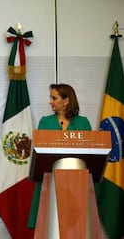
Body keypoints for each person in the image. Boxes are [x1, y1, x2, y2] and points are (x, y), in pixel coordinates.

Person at [27, 83, 92, 228]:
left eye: (54, 98)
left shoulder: (82, 123)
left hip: (75, 182)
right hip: (49, 180)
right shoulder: (45, 121)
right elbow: (39, 152)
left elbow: (90, 153)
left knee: (74, 226)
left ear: (66, 101)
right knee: (49, 226)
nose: (50, 102)